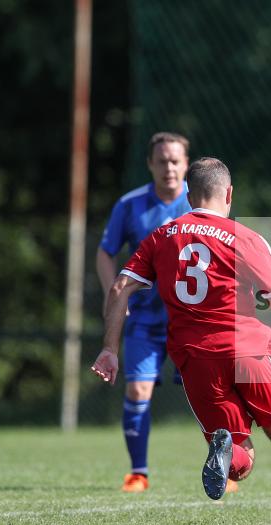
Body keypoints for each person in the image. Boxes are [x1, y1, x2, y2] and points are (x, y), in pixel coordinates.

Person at [91, 157, 271, 525]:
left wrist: (110, 349)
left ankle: (226, 449)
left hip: (196, 360)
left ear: (188, 195)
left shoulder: (163, 236)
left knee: (238, 459)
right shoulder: (244, 237)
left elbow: (119, 288)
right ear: (229, 194)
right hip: (246, 352)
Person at [96, 132, 194, 493]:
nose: (168, 167)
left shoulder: (201, 203)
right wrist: (114, 291)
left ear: (186, 164)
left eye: (175, 160)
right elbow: (105, 252)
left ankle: (228, 468)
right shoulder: (130, 204)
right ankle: (138, 472)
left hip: (191, 320)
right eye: (162, 160)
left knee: (206, 393)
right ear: (150, 164)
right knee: (138, 390)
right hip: (145, 320)